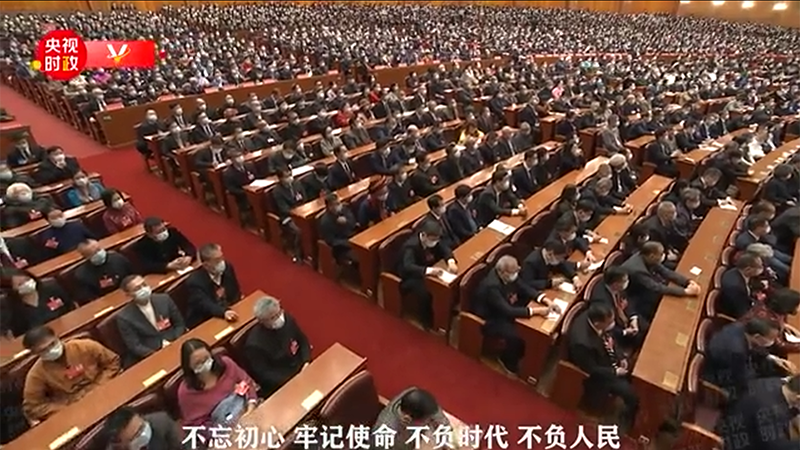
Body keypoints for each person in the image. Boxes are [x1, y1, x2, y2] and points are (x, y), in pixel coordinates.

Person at [471, 255, 559, 373]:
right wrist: (536, 311)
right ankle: (507, 360)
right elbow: (507, 310)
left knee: (527, 320)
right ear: (502, 272)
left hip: (504, 308)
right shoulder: (492, 286)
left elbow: (525, 288)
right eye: (513, 272)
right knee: (518, 335)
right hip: (490, 318)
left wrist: (545, 300)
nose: (516, 274)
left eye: (517, 270)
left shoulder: (509, 275)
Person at [21, 325, 120, 423]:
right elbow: (33, 407)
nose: (51, 350)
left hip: (104, 390)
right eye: (44, 350)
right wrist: (66, 409)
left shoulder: (85, 346)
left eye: (52, 344)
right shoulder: (36, 374)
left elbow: (113, 362)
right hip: (74, 410)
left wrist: (100, 386)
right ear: (35, 353)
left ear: (57, 337)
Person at [567, 302, 639, 429]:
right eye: (609, 322)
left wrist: (620, 356)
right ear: (597, 324)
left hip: (607, 358)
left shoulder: (596, 317)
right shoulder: (582, 343)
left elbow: (610, 337)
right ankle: (629, 416)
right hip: (599, 375)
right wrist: (615, 372)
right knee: (630, 393)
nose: (612, 324)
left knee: (635, 368)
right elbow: (591, 369)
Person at [177, 339, 257, 428]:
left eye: (206, 358)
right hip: (222, 430)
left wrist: (250, 410)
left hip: (249, 412)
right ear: (189, 366)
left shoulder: (226, 364)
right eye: (198, 363)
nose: (204, 364)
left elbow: (248, 383)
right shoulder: (186, 392)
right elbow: (196, 425)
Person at [703, 318, 792, 398]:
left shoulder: (741, 327)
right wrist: (776, 383)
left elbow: (753, 349)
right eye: (771, 338)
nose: (773, 341)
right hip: (719, 375)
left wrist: (772, 358)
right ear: (757, 336)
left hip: (731, 365)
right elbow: (741, 380)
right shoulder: (737, 351)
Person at [243, 297, 311, 396]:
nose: (279, 318)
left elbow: (302, 340)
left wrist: (306, 361)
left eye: (279, 313)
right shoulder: (254, 345)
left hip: (302, 367)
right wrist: (293, 380)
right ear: (262, 321)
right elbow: (265, 373)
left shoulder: (287, 319)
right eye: (273, 318)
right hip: (283, 381)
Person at [116, 274, 186, 367]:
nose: (143, 289)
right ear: (128, 295)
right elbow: (135, 346)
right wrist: (156, 354)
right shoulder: (124, 317)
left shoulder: (164, 299)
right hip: (152, 353)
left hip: (175, 341)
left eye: (144, 285)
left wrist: (177, 341)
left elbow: (179, 324)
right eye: (137, 288)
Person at [397, 221, 456, 329]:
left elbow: (444, 249)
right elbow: (408, 266)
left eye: (436, 239)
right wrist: (428, 270)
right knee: (425, 293)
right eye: (433, 240)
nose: (435, 242)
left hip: (427, 270)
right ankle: (427, 322)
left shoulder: (433, 239)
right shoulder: (410, 247)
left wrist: (450, 261)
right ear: (423, 235)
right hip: (410, 277)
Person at [619, 241, 700, 321]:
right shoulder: (638, 270)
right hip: (634, 296)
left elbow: (666, 272)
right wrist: (685, 292)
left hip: (645, 287)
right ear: (652, 256)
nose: (663, 255)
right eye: (661, 254)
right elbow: (656, 287)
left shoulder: (647, 257)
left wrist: (688, 282)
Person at [717, 375, 800, 450]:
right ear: (798, 398)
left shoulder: (772, 382)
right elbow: (778, 447)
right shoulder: (770, 412)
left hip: (724, 425)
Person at [588, 266, 648, 350]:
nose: (627, 282)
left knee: (647, 327)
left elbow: (626, 301)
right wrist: (625, 332)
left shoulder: (617, 287)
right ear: (615, 284)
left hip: (625, 317)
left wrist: (633, 318)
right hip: (617, 330)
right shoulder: (602, 302)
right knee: (643, 339)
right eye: (625, 281)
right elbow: (606, 326)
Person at [372, 388, 450, 450]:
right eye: (426, 421)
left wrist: (445, 441)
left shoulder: (416, 396)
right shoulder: (385, 437)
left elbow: (439, 418)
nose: (429, 422)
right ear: (407, 419)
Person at [184, 243, 242, 329]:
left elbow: (235, 291)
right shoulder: (194, 282)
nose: (222, 262)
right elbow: (206, 305)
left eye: (222, 257)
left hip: (229, 311)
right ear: (206, 265)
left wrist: (237, 306)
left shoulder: (228, 268)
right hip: (206, 319)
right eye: (217, 260)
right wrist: (224, 312)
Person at [8, 269, 75, 336]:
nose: (26, 284)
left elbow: (71, 305)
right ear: (13, 290)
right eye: (20, 284)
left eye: (27, 279)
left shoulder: (51, 288)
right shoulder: (16, 311)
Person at [740, 287, 800, 357]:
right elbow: (780, 346)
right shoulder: (768, 319)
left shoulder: (774, 309)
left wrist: (786, 326)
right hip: (757, 350)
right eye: (797, 305)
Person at [74, 239, 134, 304]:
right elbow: (91, 298)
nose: (99, 253)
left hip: (128, 293)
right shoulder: (82, 274)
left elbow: (132, 275)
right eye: (94, 253)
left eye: (99, 249)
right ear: (86, 257)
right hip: (106, 302)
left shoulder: (117, 258)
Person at [96, 406, 184, 450]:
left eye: (142, 427)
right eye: (136, 435)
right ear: (120, 444)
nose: (143, 433)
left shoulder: (161, 422)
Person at [132, 217, 196, 274]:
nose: (163, 233)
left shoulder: (172, 232)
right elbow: (147, 266)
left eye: (164, 229)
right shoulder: (141, 245)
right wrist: (167, 266)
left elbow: (188, 246)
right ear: (149, 235)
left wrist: (189, 256)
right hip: (161, 272)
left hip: (179, 265)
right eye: (159, 232)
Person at [273, 168, 307, 262]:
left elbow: (304, 198)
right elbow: (283, 209)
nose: (290, 178)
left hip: (302, 212)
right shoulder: (277, 191)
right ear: (280, 178)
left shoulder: (297, 183)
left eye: (290, 175)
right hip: (287, 217)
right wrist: (297, 212)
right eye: (286, 176)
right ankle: (298, 254)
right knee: (298, 231)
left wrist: (303, 210)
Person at [718, 252, 765, 319]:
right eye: (759, 267)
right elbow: (743, 313)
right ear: (748, 269)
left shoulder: (735, 271)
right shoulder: (736, 288)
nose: (762, 268)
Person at [318, 194, 357, 264]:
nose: (339, 206)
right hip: (341, 249)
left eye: (339, 203)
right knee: (360, 257)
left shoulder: (344, 210)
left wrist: (346, 221)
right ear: (330, 207)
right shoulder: (325, 221)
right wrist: (348, 243)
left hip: (353, 239)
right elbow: (331, 241)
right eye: (336, 204)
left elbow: (353, 222)